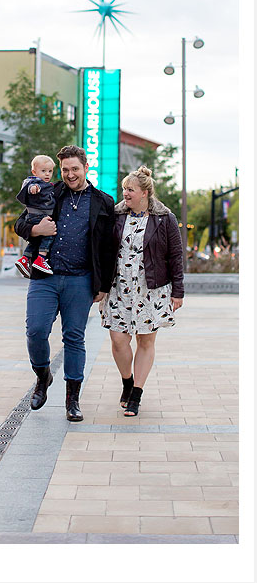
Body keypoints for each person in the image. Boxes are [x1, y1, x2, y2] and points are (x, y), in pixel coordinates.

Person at [14, 145, 118, 421]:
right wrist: (37, 229)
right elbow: (21, 223)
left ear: (85, 167)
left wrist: (104, 286)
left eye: (75, 169)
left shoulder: (103, 202)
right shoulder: (51, 191)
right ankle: (42, 375)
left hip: (80, 281)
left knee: (74, 338)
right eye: (65, 170)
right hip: (44, 276)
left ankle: (73, 399)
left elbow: (109, 249)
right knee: (36, 331)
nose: (70, 174)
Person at [101, 166, 184, 416]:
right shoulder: (115, 215)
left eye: (130, 190)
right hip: (119, 287)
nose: (125, 193)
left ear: (145, 193)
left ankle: (136, 393)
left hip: (152, 287)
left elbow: (175, 255)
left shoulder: (164, 218)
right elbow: (104, 251)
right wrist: (99, 286)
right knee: (118, 339)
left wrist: (177, 291)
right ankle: (127, 381)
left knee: (145, 340)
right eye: (124, 189)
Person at [14, 154, 58, 277]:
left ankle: (24, 259)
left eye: (50, 171)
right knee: (49, 235)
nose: (47, 174)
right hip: (38, 216)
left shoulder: (51, 185)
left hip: (36, 216)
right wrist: (34, 188)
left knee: (35, 241)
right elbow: (31, 186)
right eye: (43, 171)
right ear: (34, 172)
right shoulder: (35, 182)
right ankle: (41, 259)